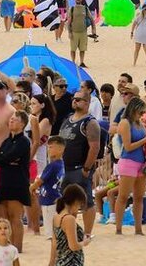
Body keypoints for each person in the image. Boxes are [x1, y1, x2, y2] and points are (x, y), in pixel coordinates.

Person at [59, 88, 101, 237]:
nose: (75, 101)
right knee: (67, 201)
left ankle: (88, 233)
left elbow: (94, 147)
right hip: (65, 167)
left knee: (86, 201)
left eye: (79, 99)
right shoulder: (68, 119)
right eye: (74, 99)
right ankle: (68, 230)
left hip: (79, 167)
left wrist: (86, 168)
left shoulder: (90, 123)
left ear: (87, 103)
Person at [111, 97, 146, 235]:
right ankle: (118, 228)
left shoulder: (139, 124)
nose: (142, 114)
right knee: (123, 196)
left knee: (139, 197)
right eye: (140, 111)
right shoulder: (125, 123)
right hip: (129, 161)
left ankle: (138, 228)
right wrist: (145, 140)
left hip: (140, 162)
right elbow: (128, 146)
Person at [0, 110, 31, 252]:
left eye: (14, 119)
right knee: (6, 215)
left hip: (18, 181)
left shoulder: (24, 141)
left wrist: (7, 159)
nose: (11, 121)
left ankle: (18, 248)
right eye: (11, 119)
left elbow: (11, 156)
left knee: (16, 216)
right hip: (5, 179)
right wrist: (8, 160)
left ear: (22, 124)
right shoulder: (7, 140)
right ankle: (8, 246)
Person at [50, 184, 90, 266]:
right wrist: (85, 242)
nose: (79, 207)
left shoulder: (56, 217)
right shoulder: (69, 219)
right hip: (71, 262)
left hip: (61, 261)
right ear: (76, 201)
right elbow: (73, 246)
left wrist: (51, 262)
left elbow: (54, 243)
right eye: (79, 205)